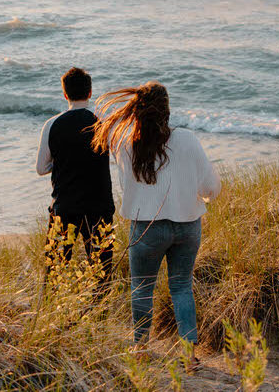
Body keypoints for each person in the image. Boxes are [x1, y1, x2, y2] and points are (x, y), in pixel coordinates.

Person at [92, 81, 221, 358]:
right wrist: (194, 195)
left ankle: (140, 349)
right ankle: (189, 356)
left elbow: (127, 188)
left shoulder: (125, 145)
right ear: (167, 110)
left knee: (142, 288)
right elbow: (211, 188)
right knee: (181, 287)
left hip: (146, 228)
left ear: (136, 111)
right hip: (187, 226)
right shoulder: (187, 139)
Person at [35, 67, 115, 282]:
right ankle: (101, 310)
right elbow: (117, 156)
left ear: (65, 94)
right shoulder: (103, 122)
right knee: (102, 270)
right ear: (90, 93)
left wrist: (63, 163)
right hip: (99, 208)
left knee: (56, 269)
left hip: (65, 207)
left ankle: (56, 311)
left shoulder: (51, 124)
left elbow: (41, 168)